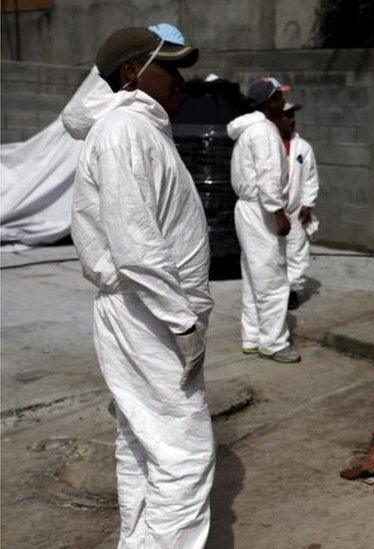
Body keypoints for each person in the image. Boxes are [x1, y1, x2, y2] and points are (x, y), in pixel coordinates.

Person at [67, 27, 215, 547]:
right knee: (185, 457)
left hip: (146, 311)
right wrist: (181, 321)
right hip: (149, 315)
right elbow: (136, 245)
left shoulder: (135, 129)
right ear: (131, 72)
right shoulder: (124, 131)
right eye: (171, 68)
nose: (182, 81)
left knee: (142, 444)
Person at [227, 77, 301, 363]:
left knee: (254, 275)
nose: (284, 103)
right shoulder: (265, 133)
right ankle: (273, 343)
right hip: (261, 211)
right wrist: (278, 213)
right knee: (271, 278)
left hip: (247, 209)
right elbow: (269, 178)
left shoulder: (249, 130)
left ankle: (253, 337)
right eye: (280, 97)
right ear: (270, 102)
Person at [274, 101, 320, 309]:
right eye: (287, 116)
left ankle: (293, 289)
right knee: (273, 251)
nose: (292, 120)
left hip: (295, 208)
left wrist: (307, 203)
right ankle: (275, 288)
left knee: (296, 249)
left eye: (293, 116)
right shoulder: (268, 142)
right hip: (273, 207)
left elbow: (310, 177)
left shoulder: (303, 148)